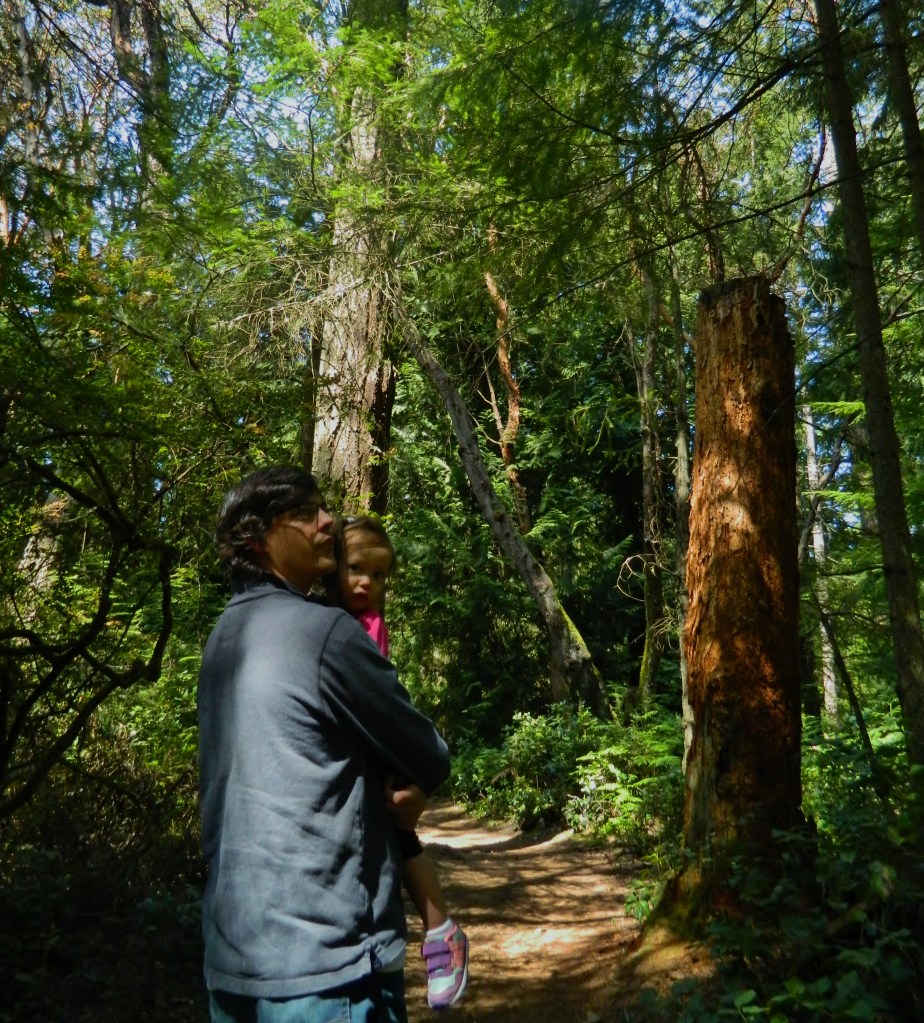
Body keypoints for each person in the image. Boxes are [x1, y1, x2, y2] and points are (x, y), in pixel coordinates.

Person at [198, 466, 451, 1023]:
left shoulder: (222, 639)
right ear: (261, 536)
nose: (328, 520)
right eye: (309, 511)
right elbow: (426, 753)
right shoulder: (327, 634)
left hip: (233, 957)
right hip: (329, 966)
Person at [327, 516, 469, 1011]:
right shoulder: (324, 617)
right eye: (356, 569)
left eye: (380, 575)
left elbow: (378, 702)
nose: (367, 582)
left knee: (401, 832)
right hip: (360, 750)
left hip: (378, 746)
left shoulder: (366, 627)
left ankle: (441, 929)